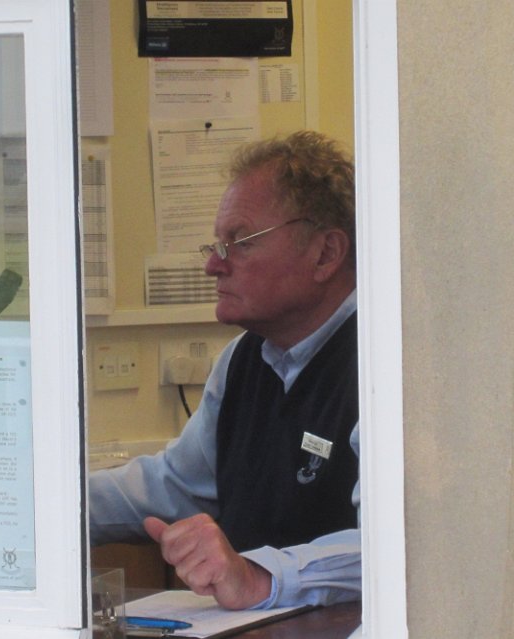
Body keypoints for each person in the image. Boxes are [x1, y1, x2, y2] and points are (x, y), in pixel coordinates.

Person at [89, 130, 361, 611]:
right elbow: (176, 484)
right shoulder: (242, 360)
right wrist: (40, 504)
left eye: (240, 242)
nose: (213, 266)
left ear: (325, 253)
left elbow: (393, 545)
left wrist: (261, 577)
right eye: (216, 245)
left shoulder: (385, 365)